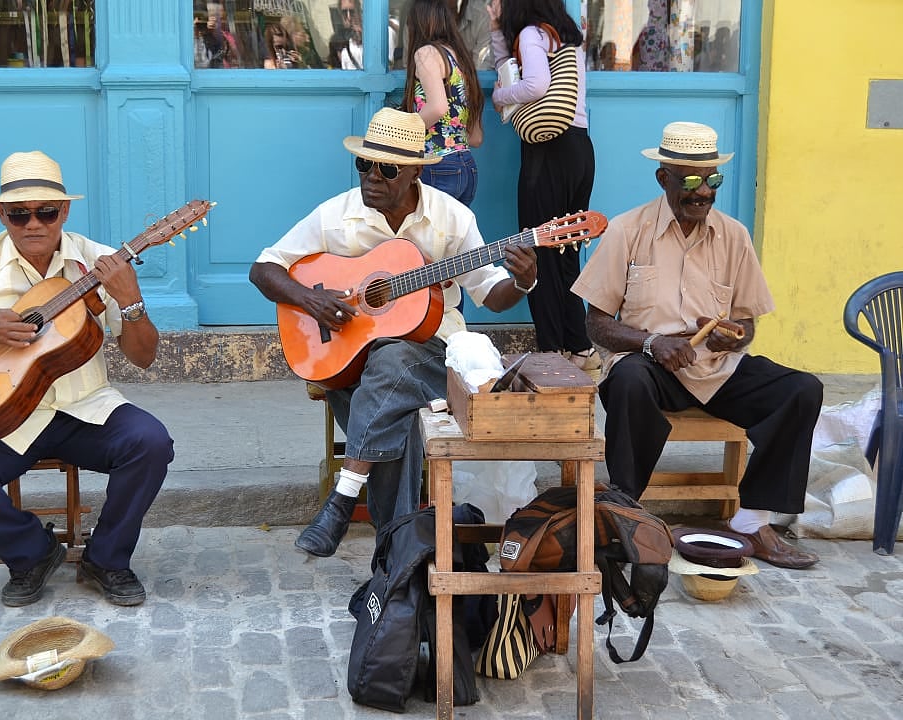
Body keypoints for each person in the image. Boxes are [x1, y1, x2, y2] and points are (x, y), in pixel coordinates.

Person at [249, 108, 538, 557]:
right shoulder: (335, 214)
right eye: (364, 164)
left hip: (432, 356)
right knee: (395, 411)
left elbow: (489, 292)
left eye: (386, 169)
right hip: (350, 364)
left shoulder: (452, 218)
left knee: (395, 359)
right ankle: (397, 558)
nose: (371, 178)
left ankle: (346, 501)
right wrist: (311, 301)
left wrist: (521, 281)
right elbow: (264, 267)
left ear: (414, 173)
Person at [0, 151, 174, 606]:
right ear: (1, 213)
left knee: (151, 443)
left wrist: (132, 299)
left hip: (85, 409)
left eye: (46, 211)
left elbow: (144, 358)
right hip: (6, 417)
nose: (33, 223)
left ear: (64, 210)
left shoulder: (99, 263)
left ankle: (107, 559)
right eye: (18, 213)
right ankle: (31, 553)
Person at [571, 121, 823, 570]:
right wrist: (652, 342)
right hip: (652, 367)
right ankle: (626, 513)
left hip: (715, 370)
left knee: (802, 390)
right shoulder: (628, 230)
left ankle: (750, 521)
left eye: (712, 180)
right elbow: (596, 324)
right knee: (626, 380)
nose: (703, 191)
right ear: (662, 178)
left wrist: (734, 335)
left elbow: (746, 323)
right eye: (689, 180)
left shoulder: (734, 236)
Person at [489, 0, 600, 378]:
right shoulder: (565, 38)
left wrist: (499, 97)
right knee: (566, 251)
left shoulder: (530, 35)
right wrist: (495, 29)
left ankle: (552, 349)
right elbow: (513, 67)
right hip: (580, 149)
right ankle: (580, 347)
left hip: (547, 151)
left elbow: (534, 83)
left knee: (537, 251)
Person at [402, 0, 484, 207]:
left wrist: (401, 132)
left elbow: (438, 107)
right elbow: (475, 138)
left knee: (427, 237)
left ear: (417, 24)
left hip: (437, 164)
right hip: (466, 165)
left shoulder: (427, 53)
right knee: (454, 238)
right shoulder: (461, 60)